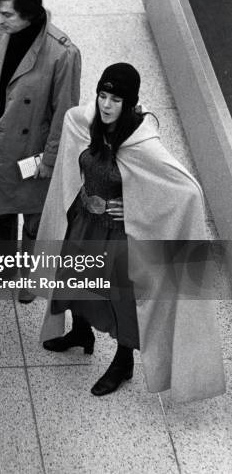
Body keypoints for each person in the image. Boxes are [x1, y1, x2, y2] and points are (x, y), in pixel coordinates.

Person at [36, 63, 225, 401]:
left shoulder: (143, 145)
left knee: (121, 301)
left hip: (118, 235)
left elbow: (187, 192)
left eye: (116, 100)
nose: (106, 105)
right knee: (75, 282)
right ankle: (81, 334)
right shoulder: (87, 122)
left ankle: (123, 363)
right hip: (85, 223)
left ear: (130, 103)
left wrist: (133, 206)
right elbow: (73, 134)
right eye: (102, 95)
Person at [0, 0, 81, 300]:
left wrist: (50, 159)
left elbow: (65, 113)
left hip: (32, 152)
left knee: (33, 221)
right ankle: (0, 269)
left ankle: (31, 278)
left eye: (7, 14)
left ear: (29, 14)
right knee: (0, 212)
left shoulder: (63, 54)